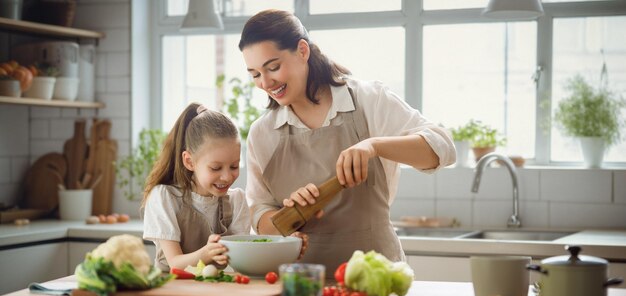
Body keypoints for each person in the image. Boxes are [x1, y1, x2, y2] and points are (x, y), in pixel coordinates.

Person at [239, 9, 456, 274]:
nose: (265, 82)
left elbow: (442, 148)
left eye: (273, 67)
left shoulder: (368, 99)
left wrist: (373, 145)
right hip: (301, 284)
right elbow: (260, 218)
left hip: (376, 276)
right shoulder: (263, 133)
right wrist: (292, 215)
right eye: (255, 74)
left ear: (302, 51)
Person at [142, 103, 251, 272]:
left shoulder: (237, 201)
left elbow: (241, 261)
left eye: (234, 166)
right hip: (174, 291)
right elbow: (175, 263)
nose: (227, 177)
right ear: (189, 161)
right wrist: (205, 254)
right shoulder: (164, 197)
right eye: (216, 168)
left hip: (222, 292)